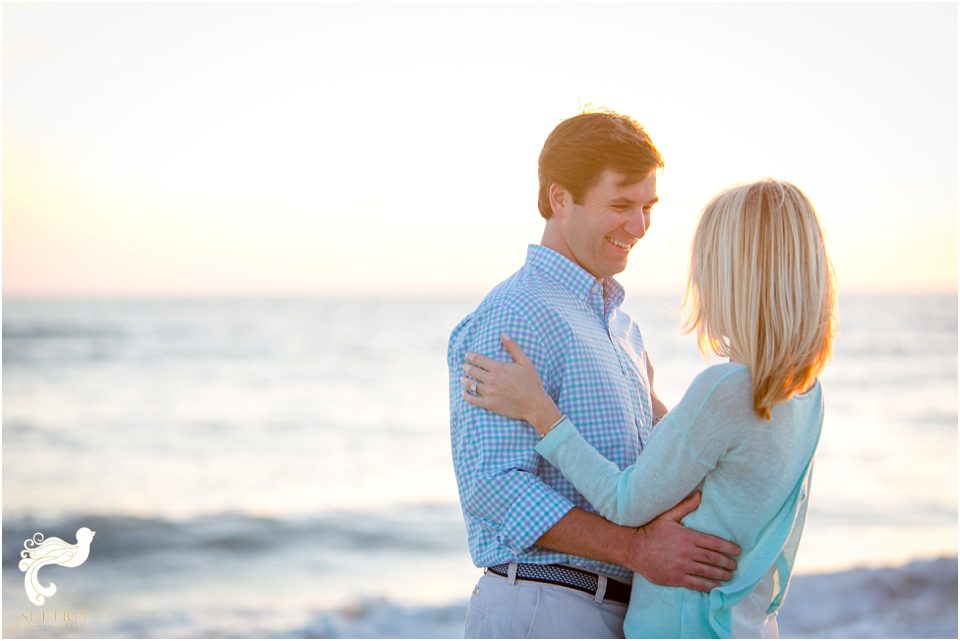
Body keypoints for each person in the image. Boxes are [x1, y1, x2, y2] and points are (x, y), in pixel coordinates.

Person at [461, 179, 837, 638]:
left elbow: (625, 501)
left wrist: (541, 412)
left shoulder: (726, 388)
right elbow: (733, 495)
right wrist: (659, 408)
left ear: (732, 274)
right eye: (621, 204)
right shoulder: (807, 395)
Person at [447, 111, 741, 639]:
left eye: (648, 207)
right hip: (544, 606)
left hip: (621, 611)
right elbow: (493, 486)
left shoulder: (621, 329)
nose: (640, 226)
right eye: (621, 205)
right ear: (561, 199)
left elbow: (647, 474)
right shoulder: (515, 313)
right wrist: (633, 549)